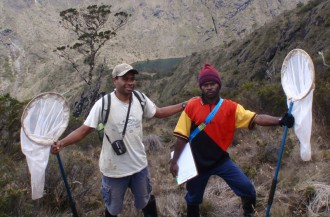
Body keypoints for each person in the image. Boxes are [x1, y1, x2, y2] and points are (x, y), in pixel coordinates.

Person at [51, 63, 186, 217]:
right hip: (113, 171)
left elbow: (159, 112)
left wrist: (184, 105)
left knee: (146, 202)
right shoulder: (104, 104)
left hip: (139, 167)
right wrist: (61, 143)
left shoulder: (140, 99)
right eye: (125, 79)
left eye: (132, 79)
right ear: (115, 80)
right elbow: (84, 130)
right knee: (113, 209)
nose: (130, 82)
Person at [169, 64, 294, 217]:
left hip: (220, 160)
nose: (209, 88)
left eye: (212, 84)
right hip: (197, 164)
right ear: (201, 87)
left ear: (218, 85)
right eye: (205, 85)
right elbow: (181, 136)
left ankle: (249, 213)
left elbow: (256, 118)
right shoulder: (191, 107)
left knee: (247, 189)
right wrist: (175, 161)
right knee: (193, 199)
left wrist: (280, 120)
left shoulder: (230, 107)